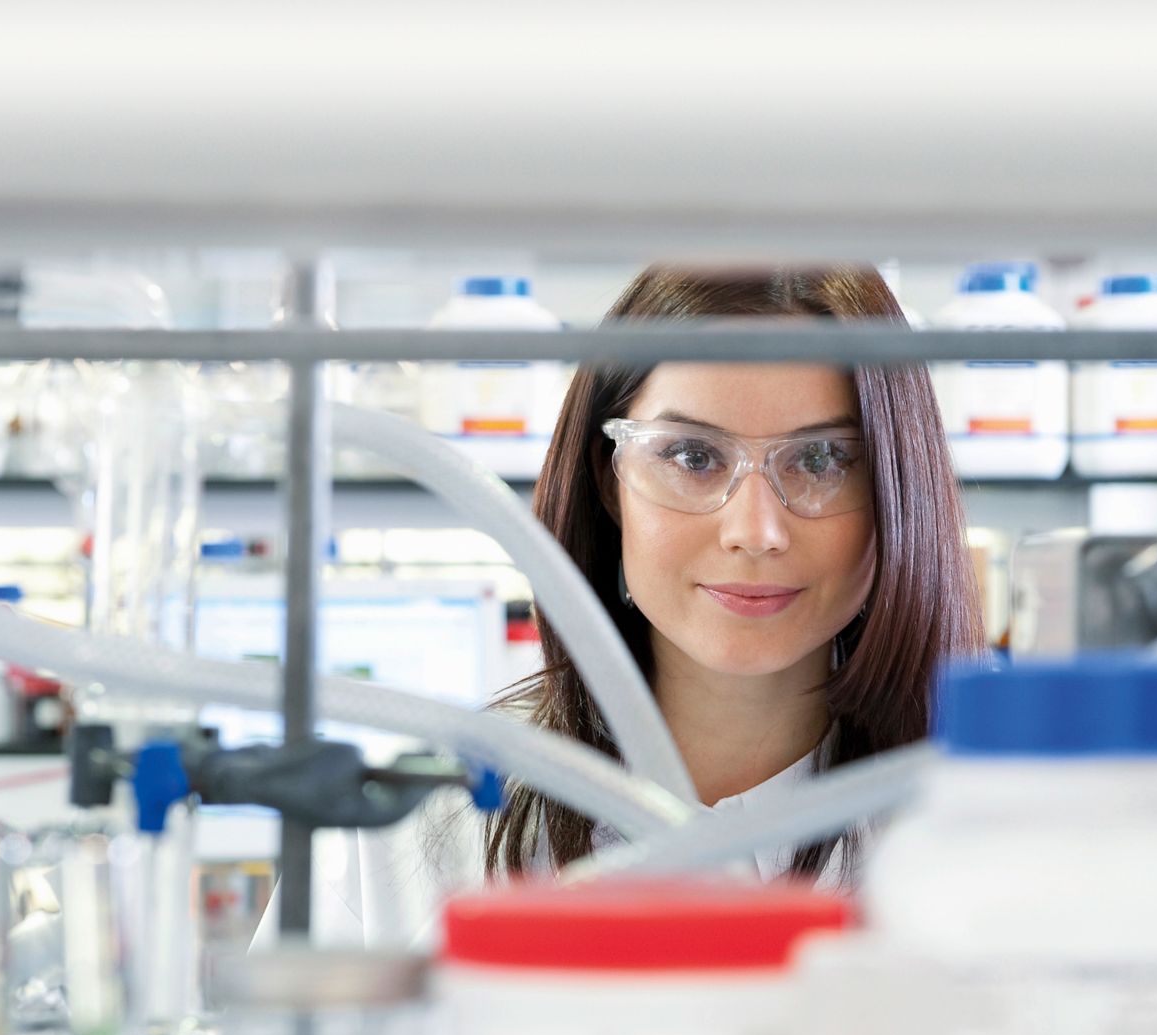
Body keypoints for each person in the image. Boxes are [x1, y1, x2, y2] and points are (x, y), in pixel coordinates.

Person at [256, 263, 984, 946]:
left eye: (823, 460)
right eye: (693, 457)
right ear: (610, 485)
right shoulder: (416, 824)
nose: (754, 531)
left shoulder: (974, 836)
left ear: (894, 486)